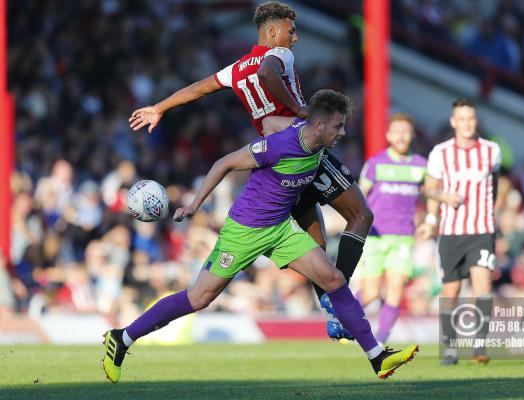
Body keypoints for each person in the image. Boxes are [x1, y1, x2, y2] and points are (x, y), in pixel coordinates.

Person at [102, 90, 418, 383]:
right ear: (319, 125)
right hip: (244, 231)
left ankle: (377, 356)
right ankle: (123, 337)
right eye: (338, 126)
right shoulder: (280, 146)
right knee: (200, 297)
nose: (343, 133)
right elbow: (224, 162)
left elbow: (270, 120)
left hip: (281, 229)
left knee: (333, 278)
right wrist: (195, 204)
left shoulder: (315, 141)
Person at [128, 1, 372, 340]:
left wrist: (160, 107)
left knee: (314, 236)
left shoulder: (236, 68)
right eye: (291, 30)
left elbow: (198, 89)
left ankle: (332, 310)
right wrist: (301, 108)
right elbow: (267, 73)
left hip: (274, 164)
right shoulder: (279, 55)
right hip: (300, 149)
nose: (295, 38)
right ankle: (338, 306)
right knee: (361, 216)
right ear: (273, 32)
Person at [357, 113, 460, 344]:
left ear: (412, 135)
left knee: (396, 288)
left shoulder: (421, 165)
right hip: (375, 236)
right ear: (389, 135)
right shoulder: (376, 163)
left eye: (406, 131)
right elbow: (359, 195)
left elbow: (430, 191)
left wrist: (439, 207)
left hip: (403, 236)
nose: (402, 136)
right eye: (397, 131)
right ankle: (341, 315)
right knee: (371, 293)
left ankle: (380, 340)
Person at [418, 99, 501, 365]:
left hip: (482, 229)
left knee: (483, 284)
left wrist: (489, 210)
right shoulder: (440, 153)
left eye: (471, 119)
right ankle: (450, 345)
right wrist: (441, 200)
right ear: (453, 122)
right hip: (451, 231)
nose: (467, 124)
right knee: (451, 291)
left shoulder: (492, 151)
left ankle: (480, 344)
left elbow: (495, 183)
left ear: (476, 121)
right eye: (461, 119)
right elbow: (428, 188)